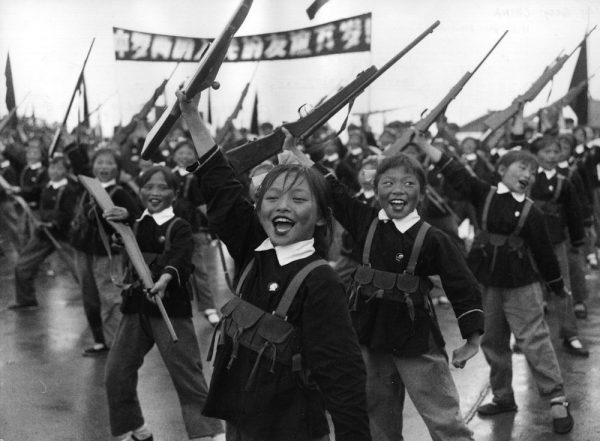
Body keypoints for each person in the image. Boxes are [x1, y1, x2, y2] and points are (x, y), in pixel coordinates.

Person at [178, 90, 371, 441]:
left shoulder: (321, 281)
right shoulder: (253, 250)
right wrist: (191, 115)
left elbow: (343, 374)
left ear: (322, 218)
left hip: (291, 429)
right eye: (271, 197)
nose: (282, 206)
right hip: (239, 420)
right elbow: (220, 182)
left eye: (298, 198)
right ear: (258, 207)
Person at [309, 136, 484, 441]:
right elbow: (333, 190)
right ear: (376, 189)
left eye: (409, 183)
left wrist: (473, 338)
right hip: (370, 332)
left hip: (415, 336)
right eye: (388, 183)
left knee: (443, 415)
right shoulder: (365, 222)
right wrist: (297, 155)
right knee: (377, 413)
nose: (398, 190)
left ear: (423, 192)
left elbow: (463, 286)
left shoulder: (433, 238)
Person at [414, 133, 575, 434]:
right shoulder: (484, 193)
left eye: (532, 171)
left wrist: (556, 287)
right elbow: (456, 170)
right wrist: (424, 146)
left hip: (522, 283)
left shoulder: (532, 211)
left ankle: (556, 397)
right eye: (522, 167)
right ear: (502, 170)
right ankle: (503, 396)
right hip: (487, 280)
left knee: (534, 339)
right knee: (492, 340)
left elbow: (544, 253)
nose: (528, 174)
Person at [104, 166, 224, 441]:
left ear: (175, 193)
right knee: (117, 372)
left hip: (170, 310)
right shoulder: (133, 224)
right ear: (140, 191)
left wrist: (165, 278)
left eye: (162, 187)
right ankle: (136, 429)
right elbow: (101, 222)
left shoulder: (179, 226)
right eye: (148, 186)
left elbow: (181, 257)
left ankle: (211, 434)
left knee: (188, 378)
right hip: (135, 309)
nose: (154, 192)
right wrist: (112, 215)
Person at [70, 147, 140, 356]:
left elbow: (137, 217)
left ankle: (117, 344)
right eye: (99, 162)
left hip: (107, 252)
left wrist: (126, 214)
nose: (104, 167)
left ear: (117, 168)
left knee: (110, 297)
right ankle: (100, 340)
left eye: (109, 163)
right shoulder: (88, 188)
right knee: (89, 297)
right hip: (83, 249)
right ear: (92, 166)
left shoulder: (120, 192)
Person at [529, 136, 589, 356]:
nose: (552, 156)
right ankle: (529, 336)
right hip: (529, 242)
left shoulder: (565, 182)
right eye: (546, 152)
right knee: (530, 290)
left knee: (563, 288)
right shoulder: (527, 180)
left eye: (555, 152)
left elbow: (574, 213)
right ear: (535, 155)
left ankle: (570, 334)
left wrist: (577, 240)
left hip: (556, 241)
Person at [9, 155, 77, 309]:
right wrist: (18, 190)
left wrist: (54, 222)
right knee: (22, 265)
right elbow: (31, 192)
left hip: (62, 237)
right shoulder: (46, 186)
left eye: (59, 168)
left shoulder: (69, 190)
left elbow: (68, 213)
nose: (54, 171)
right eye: (52, 167)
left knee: (79, 271)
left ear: (66, 171)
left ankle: (96, 300)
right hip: (43, 235)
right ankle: (26, 300)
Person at [171, 140, 220, 325]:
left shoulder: (197, 177)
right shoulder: (167, 175)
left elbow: (202, 205)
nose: (184, 156)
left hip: (193, 229)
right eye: (181, 152)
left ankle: (208, 307)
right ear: (174, 155)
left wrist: (216, 224)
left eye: (189, 153)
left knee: (198, 269)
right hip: (169, 230)